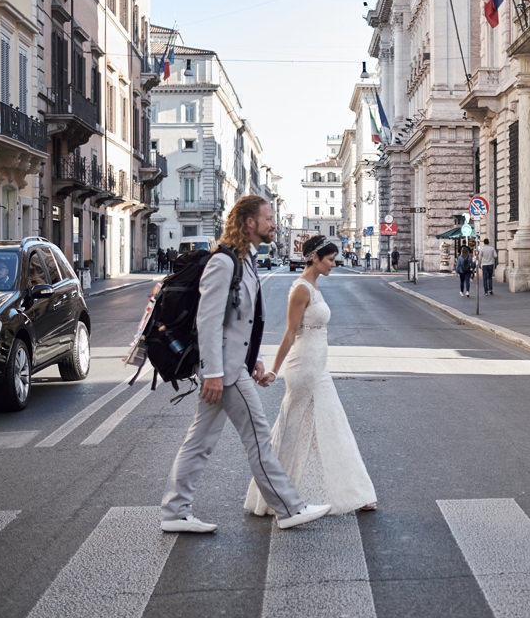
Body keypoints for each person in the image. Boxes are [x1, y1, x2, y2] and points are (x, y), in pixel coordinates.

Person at [160, 195, 330, 533]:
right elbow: (207, 322)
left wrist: (254, 360)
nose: (274, 224)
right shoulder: (224, 262)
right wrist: (212, 373)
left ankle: (174, 512)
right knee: (258, 436)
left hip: (234, 365)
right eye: (268, 218)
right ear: (250, 223)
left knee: (200, 441)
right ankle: (289, 508)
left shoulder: (245, 260)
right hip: (224, 370)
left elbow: (239, 321)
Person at [245, 234, 377, 517]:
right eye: (329, 259)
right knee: (292, 431)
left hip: (318, 366)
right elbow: (290, 334)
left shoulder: (313, 286)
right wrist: (273, 370)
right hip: (304, 368)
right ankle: (275, 496)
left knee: (330, 428)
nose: (334, 264)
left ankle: (355, 493)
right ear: (314, 258)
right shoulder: (301, 289)